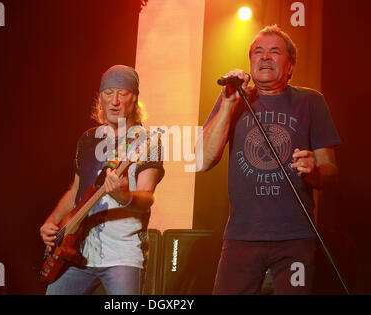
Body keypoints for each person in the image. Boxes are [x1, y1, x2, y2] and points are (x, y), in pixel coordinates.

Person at [198, 25, 341, 294]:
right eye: (257, 52)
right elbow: (202, 161)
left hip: (295, 238)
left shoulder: (311, 101)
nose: (264, 57)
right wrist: (227, 103)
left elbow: (331, 172)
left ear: (290, 66)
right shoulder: (233, 98)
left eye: (274, 52)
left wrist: (314, 171)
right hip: (242, 236)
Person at [39, 65, 164, 295]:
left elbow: (147, 197)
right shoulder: (87, 139)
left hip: (123, 255)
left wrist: (124, 196)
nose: (115, 101)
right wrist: (53, 221)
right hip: (76, 252)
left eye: (122, 93)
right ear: (100, 99)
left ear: (134, 98)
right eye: (108, 93)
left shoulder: (148, 142)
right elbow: (76, 191)